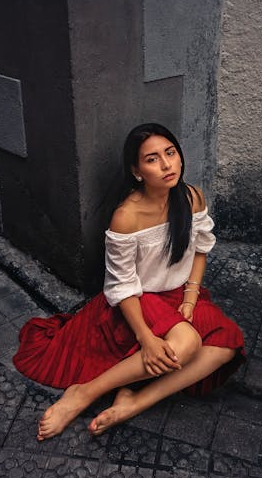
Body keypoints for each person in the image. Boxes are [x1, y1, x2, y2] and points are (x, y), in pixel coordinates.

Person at [13, 123, 245, 441]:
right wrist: (146, 338)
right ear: (136, 171)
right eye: (152, 159)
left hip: (179, 294)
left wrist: (191, 298)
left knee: (226, 347)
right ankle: (84, 393)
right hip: (139, 300)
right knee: (187, 345)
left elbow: (200, 251)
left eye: (171, 153)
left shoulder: (191, 198)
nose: (166, 165)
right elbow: (121, 286)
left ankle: (135, 401)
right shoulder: (127, 216)